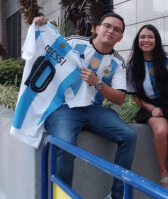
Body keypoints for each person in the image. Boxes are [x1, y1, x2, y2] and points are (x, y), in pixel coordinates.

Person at [34, 13, 137, 199]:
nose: (110, 31)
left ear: (120, 37)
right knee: (65, 145)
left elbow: (120, 98)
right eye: (107, 26)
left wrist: (97, 82)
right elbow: (47, 47)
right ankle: (62, 196)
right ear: (97, 28)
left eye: (117, 30)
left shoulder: (118, 62)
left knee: (129, 135)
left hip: (92, 109)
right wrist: (43, 27)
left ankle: (117, 195)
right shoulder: (74, 42)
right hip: (64, 107)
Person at [126, 24, 168, 197]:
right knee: (161, 130)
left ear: (157, 40)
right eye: (143, 37)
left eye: (150, 37)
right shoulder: (133, 66)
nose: (146, 40)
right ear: (138, 41)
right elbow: (135, 96)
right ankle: (163, 172)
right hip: (151, 105)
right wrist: (151, 108)